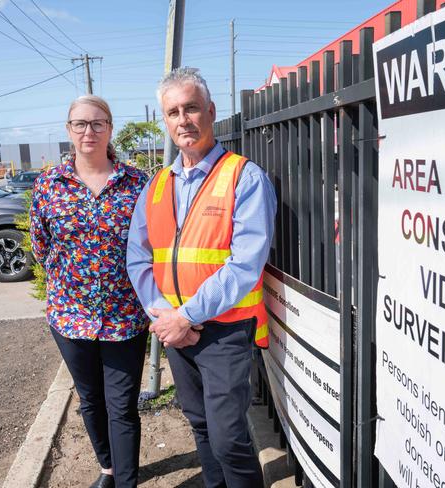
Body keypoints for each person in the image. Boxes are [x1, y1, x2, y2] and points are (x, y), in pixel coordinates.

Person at [127, 67, 276, 488]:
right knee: (201, 427)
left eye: (191, 108)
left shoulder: (243, 177)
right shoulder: (156, 185)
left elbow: (245, 265)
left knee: (229, 438)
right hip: (176, 329)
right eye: (173, 112)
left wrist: (185, 317)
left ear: (210, 111)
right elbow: (137, 258)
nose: (182, 119)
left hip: (224, 332)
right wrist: (164, 317)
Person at [30, 95, 149, 488]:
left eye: (98, 123)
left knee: (122, 406)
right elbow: (42, 246)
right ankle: (108, 470)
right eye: (80, 124)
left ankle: (127, 482)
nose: (89, 132)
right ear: (68, 131)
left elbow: (151, 245)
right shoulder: (48, 185)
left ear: (110, 129)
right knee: (91, 400)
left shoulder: (137, 184)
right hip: (70, 317)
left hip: (125, 318)